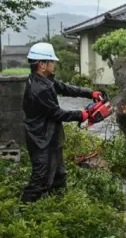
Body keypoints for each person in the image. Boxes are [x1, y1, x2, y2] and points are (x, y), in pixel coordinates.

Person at [20, 42, 104, 203]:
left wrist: (90, 93)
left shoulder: (44, 80)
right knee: (40, 178)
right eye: (52, 61)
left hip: (50, 135)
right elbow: (57, 113)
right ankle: (24, 211)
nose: (55, 64)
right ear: (42, 64)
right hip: (41, 139)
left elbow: (65, 88)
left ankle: (59, 206)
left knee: (58, 174)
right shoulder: (39, 88)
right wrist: (82, 115)